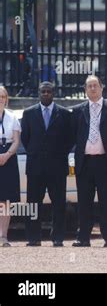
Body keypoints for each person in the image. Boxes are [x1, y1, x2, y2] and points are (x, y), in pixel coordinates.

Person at [71, 75, 107, 247]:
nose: (92, 88)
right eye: (89, 86)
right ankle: (83, 237)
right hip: (84, 162)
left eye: (95, 85)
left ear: (102, 88)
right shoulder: (78, 110)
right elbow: (73, 136)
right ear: (85, 90)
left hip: (106, 162)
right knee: (84, 202)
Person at [21, 82, 73, 247]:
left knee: (58, 203)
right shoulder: (28, 113)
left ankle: (57, 237)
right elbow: (25, 138)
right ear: (38, 93)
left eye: (48, 91)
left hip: (57, 166)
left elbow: (69, 138)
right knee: (33, 204)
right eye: (43, 91)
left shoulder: (64, 114)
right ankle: (33, 237)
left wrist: (58, 153)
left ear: (54, 93)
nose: (45, 94)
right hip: (35, 166)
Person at [0, 87, 21, 247]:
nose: (1, 99)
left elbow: (16, 140)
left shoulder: (12, 116)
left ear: (6, 99)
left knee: (5, 201)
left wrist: (7, 155)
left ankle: (3, 236)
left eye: (3, 96)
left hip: (8, 157)